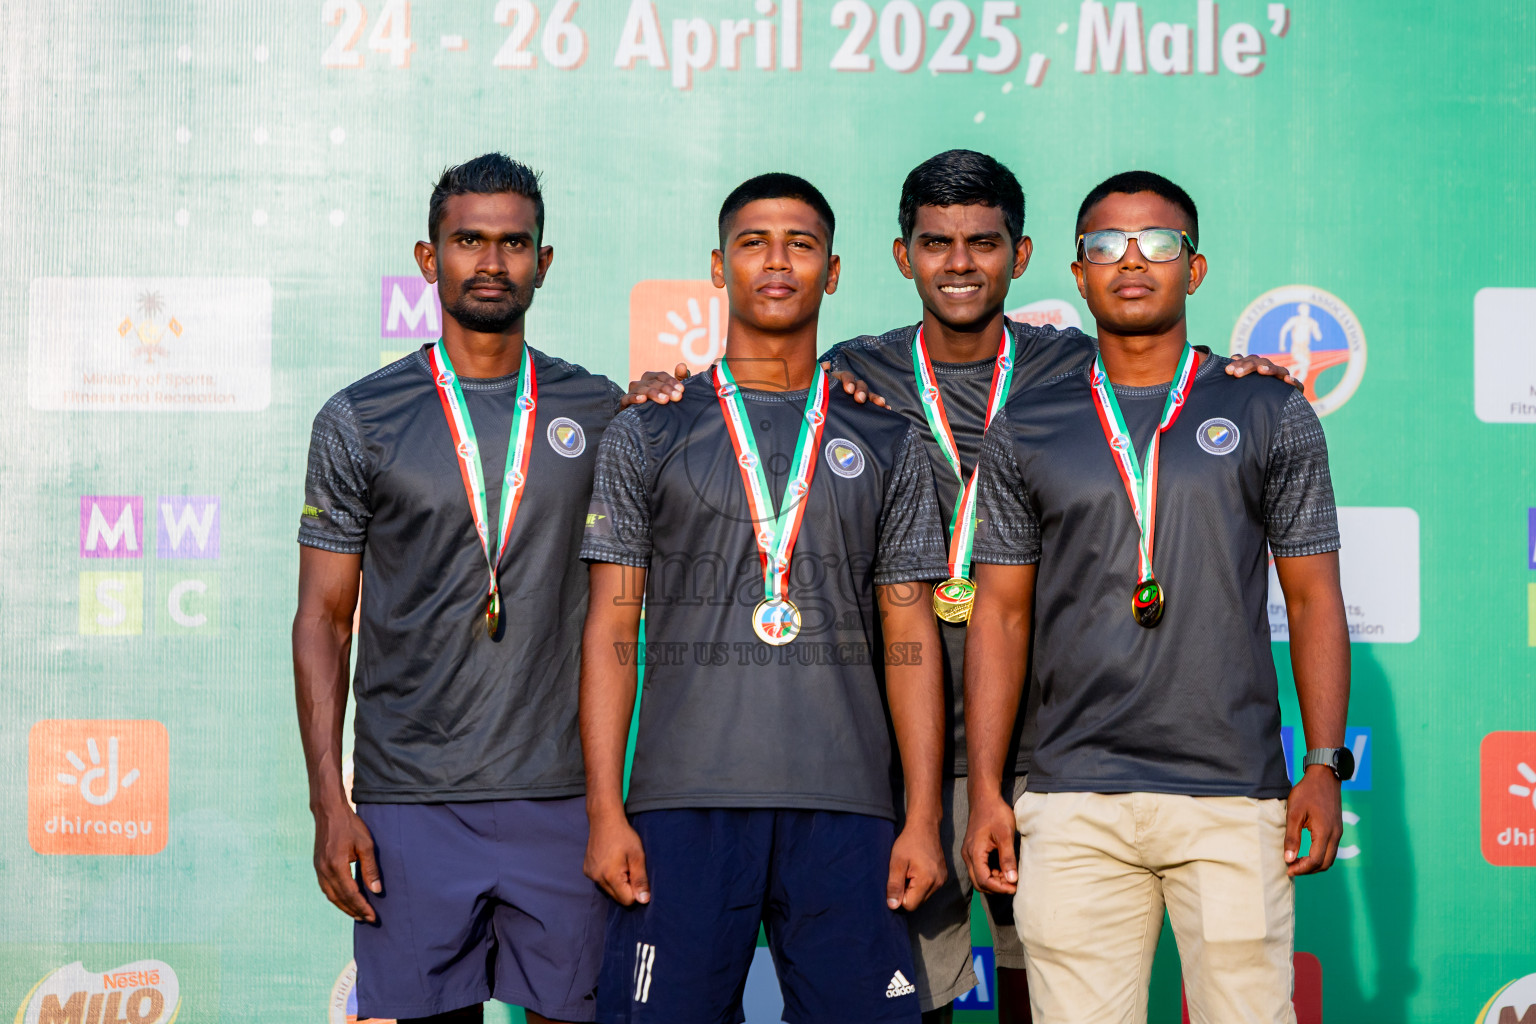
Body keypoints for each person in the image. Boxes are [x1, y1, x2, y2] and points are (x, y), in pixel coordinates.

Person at [626, 149, 1298, 1023]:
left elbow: (1164, 372)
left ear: (1019, 258)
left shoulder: (1069, 368)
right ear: (903, 256)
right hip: (900, 762)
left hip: (1048, 753)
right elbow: (745, 393)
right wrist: (662, 387)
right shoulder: (846, 378)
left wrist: (1240, 368)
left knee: (1049, 986)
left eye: (983, 243)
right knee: (918, 993)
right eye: (937, 243)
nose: (959, 263)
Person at [962, 170, 1351, 1024]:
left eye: (1158, 244)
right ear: (1077, 272)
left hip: (1234, 800)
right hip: (1071, 801)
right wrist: (988, 790)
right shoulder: (1028, 424)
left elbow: (1316, 599)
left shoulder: (1266, 407)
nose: (1131, 261)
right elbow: (1000, 614)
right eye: (1106, 245)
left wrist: (1322, 765)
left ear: (1196, 268)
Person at [580, 173, 950, 1024]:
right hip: (682, 805)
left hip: (848, 808)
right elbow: (612, 624)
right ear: (718, 267)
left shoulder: (888, 436)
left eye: (801, 244)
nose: (777, 262)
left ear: (835, 271)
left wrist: (922, 815)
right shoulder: (650, 427)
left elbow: (911, 629)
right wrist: (606, 808)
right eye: (754, 243)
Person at [292, 153, 621, 1024]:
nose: (492, 261)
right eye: (468, 240)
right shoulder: (361, 418)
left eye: (515, 243)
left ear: (543, 263)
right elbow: (324, 620)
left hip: (563, 798)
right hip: (411, 801)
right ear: (428, 257)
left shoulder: (600, 411)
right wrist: (331, 802)